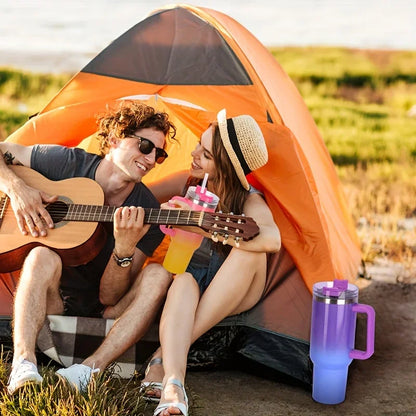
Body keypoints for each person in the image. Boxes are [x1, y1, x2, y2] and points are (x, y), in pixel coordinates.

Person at [0, 101, 176, 394]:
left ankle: (88, 370)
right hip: (51, 302)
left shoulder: (147, 211)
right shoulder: (68, 164)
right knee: (41, 254)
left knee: (158, 274)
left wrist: (123, 249)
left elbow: (111, 297)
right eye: (145, 146)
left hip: (106, 314)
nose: (151, 158)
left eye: (159, 153)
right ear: (115, 138)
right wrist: (18, 191)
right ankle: (23, 362)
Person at [141, 109, 281, 416]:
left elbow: (273, 240)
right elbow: (138, 198)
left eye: (204, 154)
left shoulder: (249, 200)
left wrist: (213, 229)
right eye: (198, 146)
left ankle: (161, 354)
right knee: (183, 281)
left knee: (249, 250)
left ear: (227, 168)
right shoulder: (188, 183)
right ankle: (174, 383)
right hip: (194, 278)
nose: (193, 154)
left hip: (237, 288)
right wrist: (161, 212)